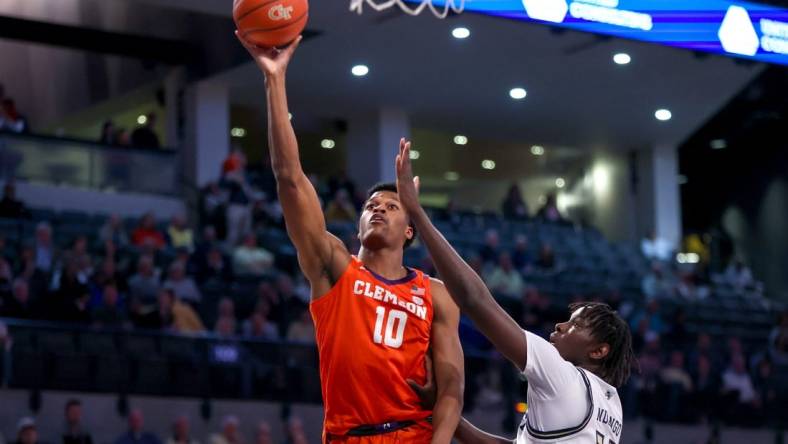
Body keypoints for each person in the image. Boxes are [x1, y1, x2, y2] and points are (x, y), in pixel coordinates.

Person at [237, 34, 463, 443]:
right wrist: (275, 79)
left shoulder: (437, 295)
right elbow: (289, 177)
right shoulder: (334, 267)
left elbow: (450, 390)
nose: (377, 209)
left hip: (412, 433)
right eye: (370, 205)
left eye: (392, 207)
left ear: (410, 230)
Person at [394, 140, 635, 443]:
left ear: (599, 351)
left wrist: (417, 212)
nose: (561, 325)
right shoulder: (612, 407)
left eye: (577, 325)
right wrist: (444, 414)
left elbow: (474, 300)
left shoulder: (560, 373)